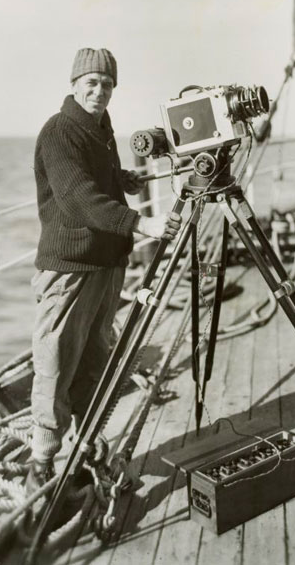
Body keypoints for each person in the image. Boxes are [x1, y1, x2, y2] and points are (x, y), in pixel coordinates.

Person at [27, 47, 181, 494]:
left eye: (108, 84)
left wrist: (121, 181)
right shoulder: (59, 132)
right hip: (70, 269)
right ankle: (41, 462)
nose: (100, 91)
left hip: (107, 265)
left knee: (96, 361)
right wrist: (142, 223)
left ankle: (86, 444)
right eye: (91, 83)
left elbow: (94, 183)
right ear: (74, 85)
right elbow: (78, 198)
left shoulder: (101, 129)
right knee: (56, 363)